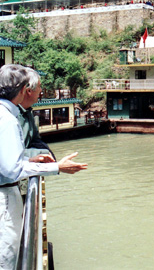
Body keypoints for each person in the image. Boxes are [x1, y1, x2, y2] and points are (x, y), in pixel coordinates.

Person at [0, 64, 87, 269]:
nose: (41, 91)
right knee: (6, 258)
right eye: (38, 87)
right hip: (4, 198)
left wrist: (31, 159)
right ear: (23, 90)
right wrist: (57, 167)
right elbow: (12, 170)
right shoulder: (8, 119)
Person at [18, 67, 55, 160]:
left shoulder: (28, 112)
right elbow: (12, 155)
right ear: (29, 90)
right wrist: (44, 154)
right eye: (39, 86)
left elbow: (35, 139)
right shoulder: (11, 116)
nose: (41, 90)